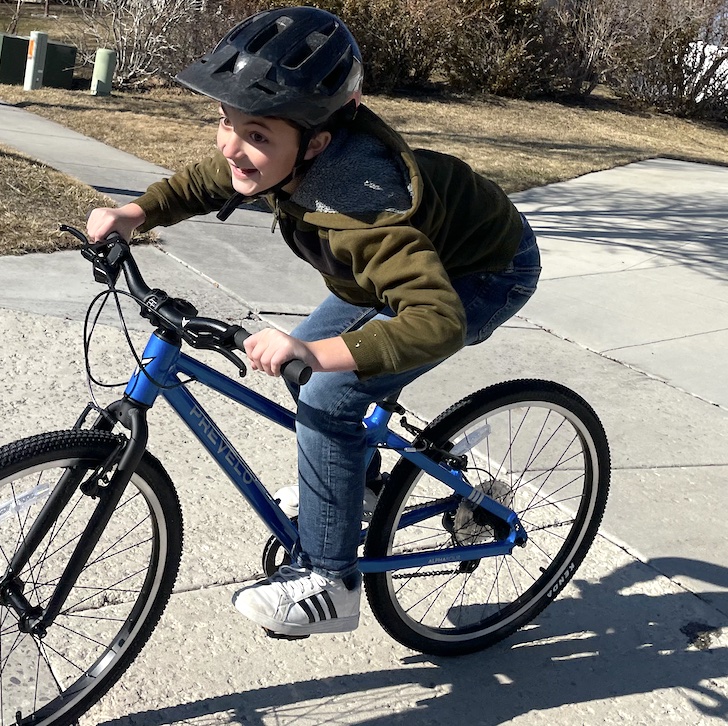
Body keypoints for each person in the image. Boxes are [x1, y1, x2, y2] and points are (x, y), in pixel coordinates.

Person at [86, 5, 542, 637]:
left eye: (257, 136)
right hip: (389, 271)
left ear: (317, 143)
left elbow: (435, 321)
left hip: (482, 272)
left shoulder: (358, 201)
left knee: (325, 389)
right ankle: (363, 487)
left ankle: (332, 583)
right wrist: (138, 212)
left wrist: (317, 352)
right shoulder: (284, 150)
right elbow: (213, 176)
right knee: (316, 378)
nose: (232, 145)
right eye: (226, 122)